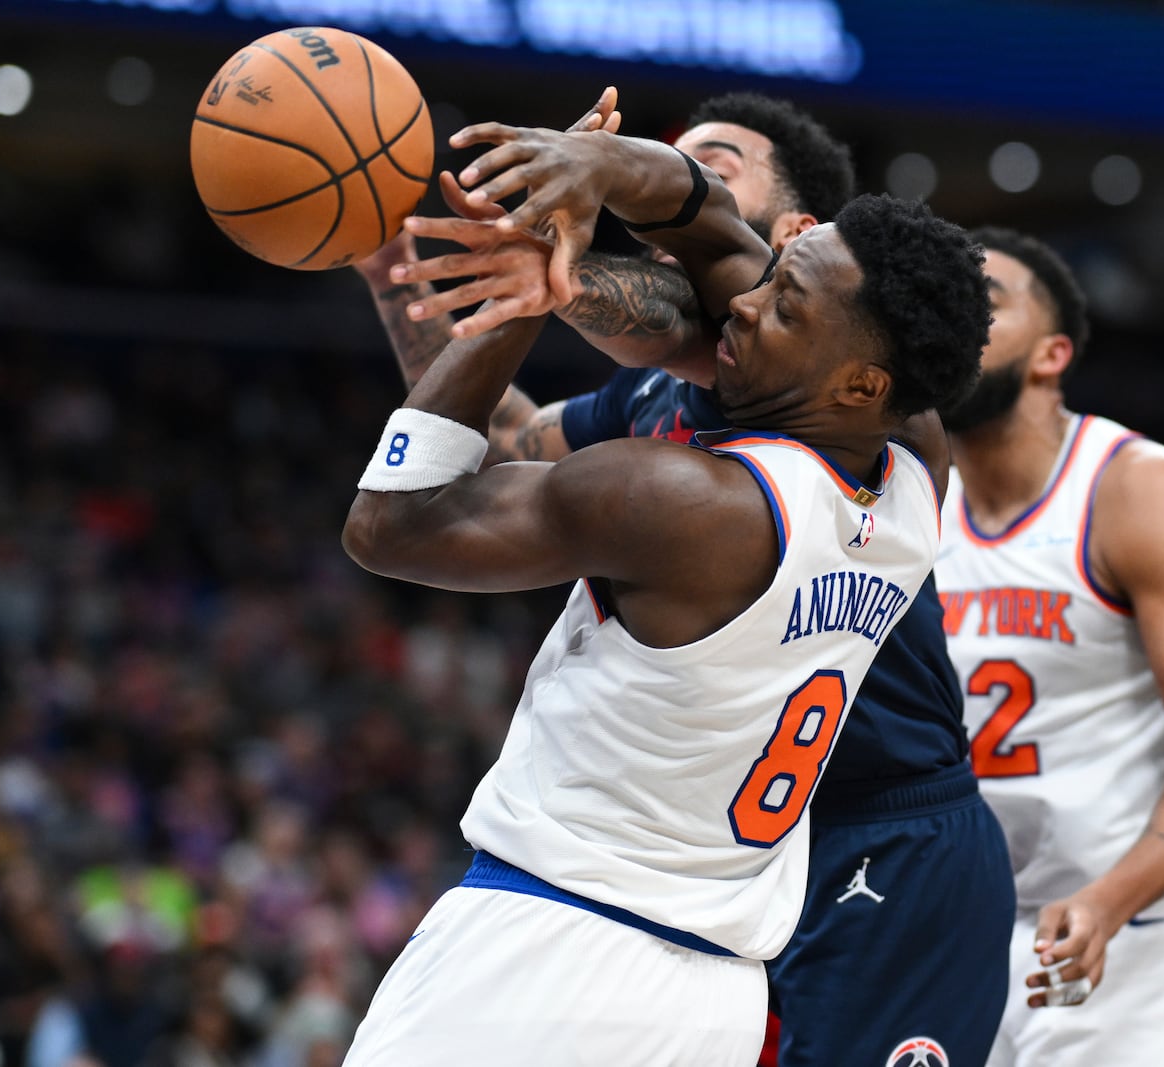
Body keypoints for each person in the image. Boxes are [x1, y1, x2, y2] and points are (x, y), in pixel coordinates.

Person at [364, 92, 1016, 1067]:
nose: (748, 302)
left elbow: (394, 522)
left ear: (856, 382)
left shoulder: (688, 504)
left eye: (784, 301)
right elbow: (710, 231)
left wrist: (520, 301)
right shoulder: (913, 463)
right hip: (715, 986)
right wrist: (580, 179)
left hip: (551, 945)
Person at [933, 227, 1164, 1066]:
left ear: (1052, 355)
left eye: (987, 303)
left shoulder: (1140, 490)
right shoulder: (910, 497)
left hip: (1149, 924)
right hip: (979, 926)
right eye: (942, 302)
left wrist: (1112, 899)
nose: (954, 317)